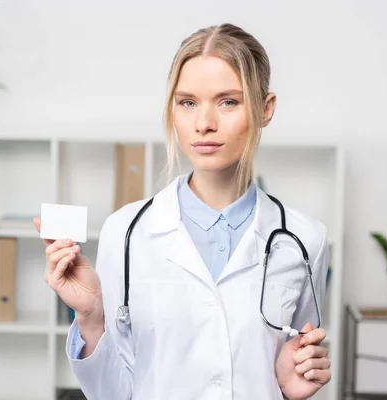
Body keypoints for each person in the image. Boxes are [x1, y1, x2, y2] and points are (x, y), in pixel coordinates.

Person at [34, 23, 331, 400]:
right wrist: (91, 318)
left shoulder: (305, 241)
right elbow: (113, 394)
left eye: (228, 102)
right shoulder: (124, 232)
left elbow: (294, 369)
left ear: (265, 109)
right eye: (187, 102)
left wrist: (289, 390)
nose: (204, 124)